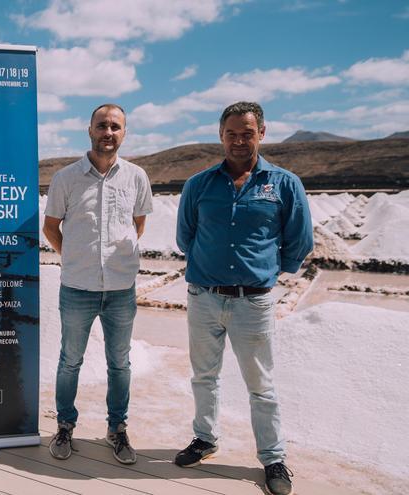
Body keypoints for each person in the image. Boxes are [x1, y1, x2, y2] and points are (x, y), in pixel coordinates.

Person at [174, 101, 314, 495]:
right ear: (221, 136)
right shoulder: (199, 184)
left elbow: (299, 242)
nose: (239, 141)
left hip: (253, 302)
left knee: (261, 386)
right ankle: (205, 439)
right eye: (232, 133)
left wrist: (263, 272)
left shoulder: (284, 183)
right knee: (204, 376)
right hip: (204, 297)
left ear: (262, 133)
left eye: (247, 133)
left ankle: (272, 458)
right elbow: (186, 237)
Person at [42, 103, 153, 464]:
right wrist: (74, 256)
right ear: (89, 130)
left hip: (121, 289)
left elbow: (138, 225)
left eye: (115, 127)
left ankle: (117, 429)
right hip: (77, 287)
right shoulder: (66, 178)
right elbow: (51, 226)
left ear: (124, 132)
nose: (109, 132)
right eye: (102, 126)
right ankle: (64, 426)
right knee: (70, 360)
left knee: (120, 363)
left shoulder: (136, 177)